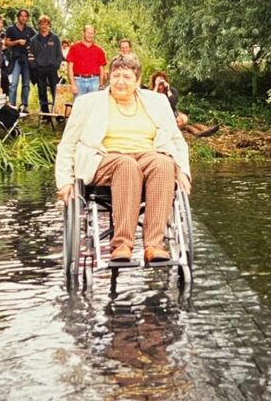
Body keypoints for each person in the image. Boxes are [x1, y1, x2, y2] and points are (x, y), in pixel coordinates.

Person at [56, 54, 191, 263]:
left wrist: (182, 171)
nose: (120, 81)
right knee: (127, 165)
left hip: (147, 155)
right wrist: (65, 181)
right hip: (105, 158)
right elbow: (68, 144)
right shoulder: (88, 103)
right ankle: (122, 245)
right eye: (116, 75)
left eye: (127, 77)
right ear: (109, 76)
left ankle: (154, 245)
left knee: (165, 163)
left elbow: (176, 139)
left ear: (137, 80)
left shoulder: (157, 102)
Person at [149, 71, 219, 138]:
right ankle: (195, 132)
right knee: (180, 123)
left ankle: (205, 129)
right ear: (154, 81)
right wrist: (156, 86)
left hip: (172, 113)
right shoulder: (151, 92)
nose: (160, 82)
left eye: (162, 79)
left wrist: (168, 89)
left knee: (184, 119)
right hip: (159, 117)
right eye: (157, 80)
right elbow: (151, 101)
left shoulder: (171, 90)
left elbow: (173, 102)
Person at [30, 15, 64, 114]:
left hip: (52, 69)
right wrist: (35, 66)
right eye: (42, 24)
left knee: (55, 90)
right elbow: (30, 56)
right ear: (39, 25)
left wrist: (56, 64)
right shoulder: (34, 40)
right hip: (39, 69)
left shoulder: (55, 38)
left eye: (46, 24)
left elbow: (59, 54)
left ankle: (57, 111)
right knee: (42, 91)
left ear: (49, 25)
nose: (44, 26)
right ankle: (45, 114)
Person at [4, 9, 36, 111]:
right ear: (18, 17)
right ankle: (12, 106)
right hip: (15, 58)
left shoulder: (30, 30)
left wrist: (30, 47)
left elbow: (36, 40)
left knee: (26, 83)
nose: (23, 18)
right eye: (21, 16)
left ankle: (24, 105)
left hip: (26, 59)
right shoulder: (11, 29)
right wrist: (17, 42)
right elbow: (6, 43)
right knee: (13, 84)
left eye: (25, 16)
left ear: (27, 18)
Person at [66, 25, 107, 98]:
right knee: (79, 105)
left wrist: (101, 84)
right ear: (83, 33)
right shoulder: (74, 48)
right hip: (79, 81)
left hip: (94, 81)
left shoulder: (99, 50)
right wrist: (72, 84)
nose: (90, 35)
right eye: (88, 33)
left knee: (93, 106)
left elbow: (101, 69)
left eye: (92, 33)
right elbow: (70, 67)